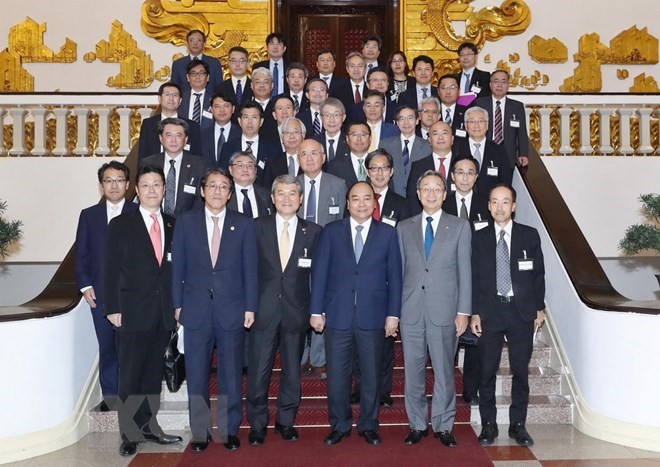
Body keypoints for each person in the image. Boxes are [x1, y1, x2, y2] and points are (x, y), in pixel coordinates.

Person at [172, 168, 258, 452]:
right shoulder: (186, 223)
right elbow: (178, 269)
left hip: (232, 309)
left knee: (230, 373)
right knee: (196, 374)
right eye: (213, 186)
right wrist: (177, 305)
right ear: (202, 190)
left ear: (230, 193)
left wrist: (250, 306)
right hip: (195, 310)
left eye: (224, 187)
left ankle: (229, 430)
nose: (218, 191)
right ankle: (200, 432)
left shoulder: (244, 224)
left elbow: (250, 269)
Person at [310, 181, 402, 446]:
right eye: (355, 199)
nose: (361, 203)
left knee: (371, 376)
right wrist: (316, 310)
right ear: (347, 203)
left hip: (373, 317)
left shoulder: (387, 233)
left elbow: (395, 277)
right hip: (337, 316)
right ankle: (339, 425)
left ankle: (369, 424)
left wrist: (393, 315)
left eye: (366, 199)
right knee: (338, 375)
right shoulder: (331, 232)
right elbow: (320, 274)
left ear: (374, 203)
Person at [104, 164, 181, 457]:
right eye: (146, 185)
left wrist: (178, 306)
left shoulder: (174, 224)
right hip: (130, 311)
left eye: (157, 185)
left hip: (163, 313)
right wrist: (112, 307)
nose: (152, 191)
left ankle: (150, 425)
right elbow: (109, 269)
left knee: (152, 375)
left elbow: (176, 271)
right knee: (131, 374)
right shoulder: (122, 224)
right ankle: (129, 433)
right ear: (137, 190)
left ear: (164, 189)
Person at [397, 170, 471, 447]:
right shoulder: (404, 227)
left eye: (436, 189)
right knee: (412, 371)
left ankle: (443, 425)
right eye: (425, 189)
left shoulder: (460, 226)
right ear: (418, 194)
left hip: (445, 311)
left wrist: (463, 311)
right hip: (411, 311)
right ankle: (417, 424)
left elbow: (465, 271)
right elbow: (400, 271)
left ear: (445, 193)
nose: (431, 194)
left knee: (443, 371)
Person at [246, 175, 322, 445]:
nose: (287, 198)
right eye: (281, 193)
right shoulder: (256, 227)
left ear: (301, 199)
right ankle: (257, 425)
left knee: (292, 371)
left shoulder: (313, 231)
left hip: (295, 312)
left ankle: (285, 421)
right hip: (262, 311)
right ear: (273, 197)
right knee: (258, 371)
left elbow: (318, 276)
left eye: (293, 193)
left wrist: (317, 310)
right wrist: (248, 306)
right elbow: (247, 271)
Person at [470, 184, 546, 447]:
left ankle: (518, 425)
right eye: (494, 202)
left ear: (513, 206)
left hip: (521, 312)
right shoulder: (479, 238)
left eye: (505, 202)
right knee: (487, 370)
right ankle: (489, 425)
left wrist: (539, 308)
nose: (499, 207)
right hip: (490, 312)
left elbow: (538, 275)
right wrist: (475, 312)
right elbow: (475, 278)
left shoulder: (529, 235)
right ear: (489, 206)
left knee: (520, 371)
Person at [75, 161, 138, 412]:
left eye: (119, 180)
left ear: (128, 184)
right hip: (100, 294)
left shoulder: (139, 212)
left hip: (133, 295)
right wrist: (84, 285)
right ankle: (111, 398)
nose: (114, 185)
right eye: (109, 180)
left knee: (130, 349)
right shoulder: (89, 215)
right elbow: (81, 254)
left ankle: (130, 396)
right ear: (101, 185)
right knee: (108, 346)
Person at [442, 156, 492, 404]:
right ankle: (445, 386)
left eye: (470, 173)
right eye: (459, 172)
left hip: (478, 279)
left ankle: (470, 389)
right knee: (448, 334)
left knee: (476, 336)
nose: (464, 177)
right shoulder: (441, 202)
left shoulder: (487, 205)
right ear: (452, 176)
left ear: (476, 177)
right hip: (448, 278)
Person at [297, 138, 347, 377]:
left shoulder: (338, 184)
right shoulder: (290, 184)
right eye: (304, 154)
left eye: (314, 153)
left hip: (329, 255)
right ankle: (298, 355)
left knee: (322, 305)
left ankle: (317, 359)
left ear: (323, 157)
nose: (309, 158)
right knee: (298, 305)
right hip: (296, 256)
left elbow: (341, 223)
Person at [139, 117, 207, 217]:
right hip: (155, 221)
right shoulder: (148, 163)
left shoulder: (199, 164)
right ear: (161, 138)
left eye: (178, 135)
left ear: (186, 139)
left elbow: (201, 199)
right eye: (169, 135)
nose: (173, 140)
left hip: (188, 223)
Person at [474, 69, 530, 169]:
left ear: (508, 86)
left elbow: (522, 132)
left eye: (503, 82)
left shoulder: (517, 106)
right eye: (496, 81)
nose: (499, 85)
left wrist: (523, 153)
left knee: (505, 183)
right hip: (485, 149)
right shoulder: (479, 104)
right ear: (490, 85)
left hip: (508, 153)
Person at [453, 106, 512, 195]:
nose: (476, 125)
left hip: (490, 203)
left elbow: (505, 181)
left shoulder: (499, 151)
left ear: (487, 125)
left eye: (480, 121)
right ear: (465, 125)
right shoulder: (456, 149)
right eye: (472, 121)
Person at [137, 82, 202, 161]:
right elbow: (143, 155)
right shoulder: (148, 124)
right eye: (167, 94)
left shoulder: (192, 126)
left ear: (180, 100)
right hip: (154, 170)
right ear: (159, 99)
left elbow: (197, 157)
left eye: (175, 95)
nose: (171, 98)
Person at [379, 105, 432, 197]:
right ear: (397, 123)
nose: (406, 122)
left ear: (417, 121)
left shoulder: (427, 146)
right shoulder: (385, 145)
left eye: (410, 118)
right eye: (402, 119)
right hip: (392, 197)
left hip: (418, 198)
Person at [219, 101, 279, 180]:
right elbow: (224, 176)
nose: (250, 122)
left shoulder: (272, 149)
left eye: (254, 117)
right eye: (246, 117)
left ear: (261, 122)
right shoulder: (228, 147)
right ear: (239, 121)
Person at [171, 29, 223, 95]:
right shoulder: (178, 64)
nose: (195, 43)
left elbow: (219, 88)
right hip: (185, 103)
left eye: (198, 40)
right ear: (187, 44)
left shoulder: (214, 63)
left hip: (209, 103)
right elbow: (174, 89)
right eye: (192, 40)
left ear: (204, 44)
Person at [200, 92, 241, 168]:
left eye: (226, 106)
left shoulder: (241, 134)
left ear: (233, 109)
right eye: (217, 106)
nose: (222, 110)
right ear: (211, 109)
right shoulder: (202, 134)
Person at [262, 116, 305, 188]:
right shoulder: (272, 163)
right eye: (287, 132)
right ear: (282, 137)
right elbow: (266, 191)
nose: (291, 136)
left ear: (303, 135)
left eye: (296, 132)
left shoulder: (310, 161)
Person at [227, 151, 273, 217]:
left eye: (250, 166)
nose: (245, 169)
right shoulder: (225, 194)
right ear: (230, 170)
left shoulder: (267, 195)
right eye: (240, 165)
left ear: (255, 170)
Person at [328, 122, 372, 188]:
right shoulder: (335, 165)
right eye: (354, 135)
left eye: (363, 135)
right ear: (347, 139)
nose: (359, 139)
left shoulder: (377, 163)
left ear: (370, 139)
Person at [178, 59, 214, 130]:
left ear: (208, 77)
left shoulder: (214, 100)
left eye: (201, 73)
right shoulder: (179, 99)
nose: (197, 77)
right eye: (193, 73)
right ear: (188, 78)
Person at [312, 98, 350, 164]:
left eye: (336, 115)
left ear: (343, 117)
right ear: (321, 118)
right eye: (327, 115)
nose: (331, 120)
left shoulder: (350, 142)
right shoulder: (314, 142)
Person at [437, 74, 468, 139]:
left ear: (459, 91)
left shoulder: (467, 113)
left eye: (452, 87)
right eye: (444, 88)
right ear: (438, 91)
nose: (448, 92)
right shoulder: (433, 112)